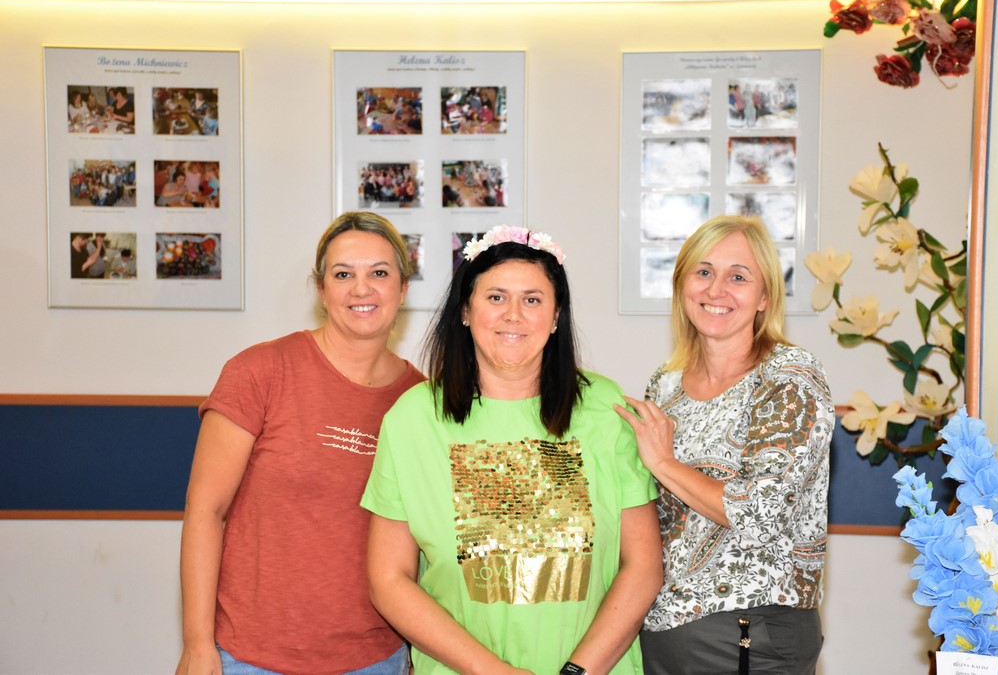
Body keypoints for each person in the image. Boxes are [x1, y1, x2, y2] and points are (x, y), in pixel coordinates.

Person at [362, 224, 663, 675]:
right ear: (466, 310)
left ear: (556, 316)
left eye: (533, 300)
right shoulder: (412, 419)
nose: (514, 315)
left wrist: (577, 672)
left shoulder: (606, 408)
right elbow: (389, 580)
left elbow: (642, 566)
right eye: (496, 297)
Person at [175, 211, 425, 675]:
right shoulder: (260, 372)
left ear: (403, 289)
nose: (362, 289)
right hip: (249, 657)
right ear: (321, 290)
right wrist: (197, 643)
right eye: (343, 274)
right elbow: (205, 509)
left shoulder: (420, 400)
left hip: (374, 660)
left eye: (379, 273)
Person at [613, 215, 833, 675]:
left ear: (764, 297)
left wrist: (664, 462)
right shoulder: (665, 385)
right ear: (682, 285)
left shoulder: (788, 377)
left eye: (738, 277)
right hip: (661, 630)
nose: (716, 290)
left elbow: (760, 513)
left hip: (752, 632)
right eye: (703, 271)